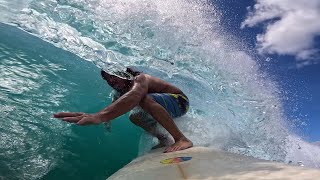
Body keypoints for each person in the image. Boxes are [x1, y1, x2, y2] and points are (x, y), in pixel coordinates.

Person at [53, 67, 193, 153]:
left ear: (122, 74)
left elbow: (135, 96)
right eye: (108, 80)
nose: (111, 82)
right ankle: (164, 139)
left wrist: (100, 116)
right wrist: (105, 121)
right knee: (135, 117)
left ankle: (181, 139)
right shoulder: (119, 92)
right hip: (166, 107)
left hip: (180, 102)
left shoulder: (140, 79)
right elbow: (116, 106)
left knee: (143, 99)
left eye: (113, 77)